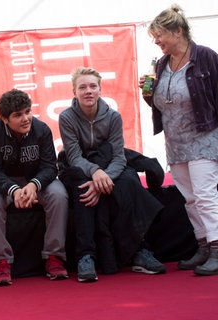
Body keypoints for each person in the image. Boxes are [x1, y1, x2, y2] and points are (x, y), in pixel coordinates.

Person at [60, 67, 166, 283]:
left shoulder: (113, 117)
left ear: (100, 89)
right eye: (82, 87)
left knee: (129, 181)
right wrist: (95, 173)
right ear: (74, 91)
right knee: (82, 188)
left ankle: (139, 250)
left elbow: (119, 156)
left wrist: (103, 178)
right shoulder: (66, 117)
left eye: (92, 86)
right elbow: (74, 156)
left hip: (109, 164)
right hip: (79, 167)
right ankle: (85, 256)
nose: (88, 91)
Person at [141, 4, 218, 276]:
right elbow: (163, 103)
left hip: (204, 137)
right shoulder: (160, 64)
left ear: (177, 31)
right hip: (175, 142)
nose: (156, 41)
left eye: (159, 35)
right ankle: (203, 247)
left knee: (206, 196)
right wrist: (147, 93)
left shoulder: (206, 57)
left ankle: (217, 248)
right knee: (189, 199)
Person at [0, 88, 69, 286]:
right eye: (18, 115)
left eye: (28, 112)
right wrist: (14, 189)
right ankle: (1, 260)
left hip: (35, 181)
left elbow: (49, 167)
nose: (26, 118)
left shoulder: (42, 129)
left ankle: (54, 256)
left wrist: (34, 185)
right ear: (4, 118)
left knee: (59, 194)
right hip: (3, 182)